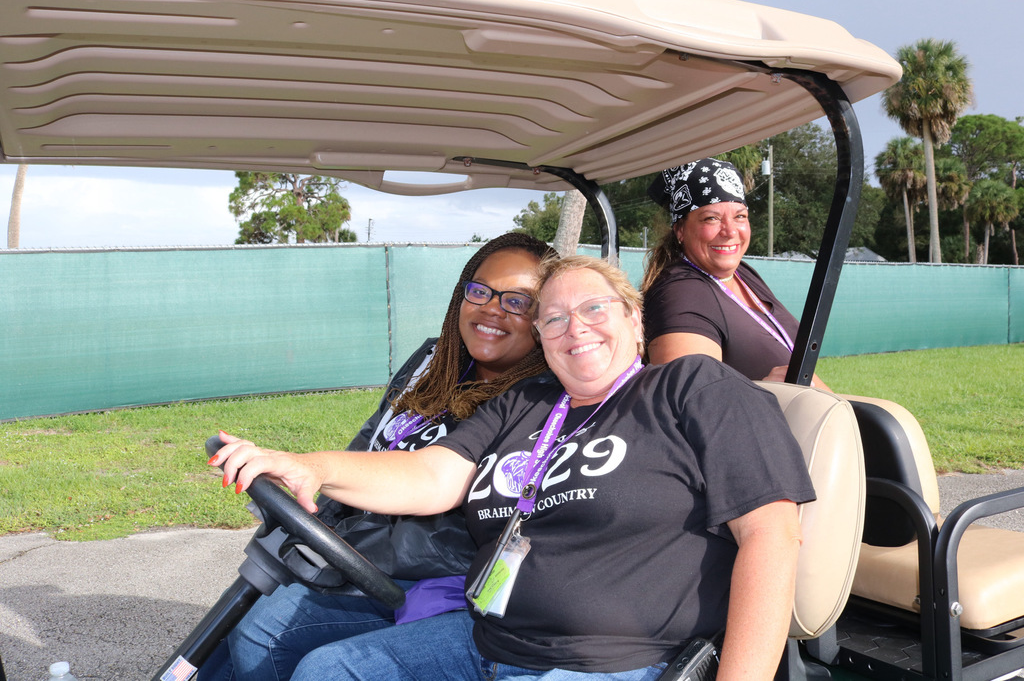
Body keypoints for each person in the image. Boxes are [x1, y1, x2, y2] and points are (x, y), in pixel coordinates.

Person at [211, 254, 816, 680]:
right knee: (329, 669)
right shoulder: (525, 404)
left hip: (613, 661)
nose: (573, 327)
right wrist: (309, 467)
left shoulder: (691, 387)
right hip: (485, 642)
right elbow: (428, 476)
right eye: (552, 318)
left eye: (594, 308)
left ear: (636, 320)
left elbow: (770, 535)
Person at [200, 232, 558, 681]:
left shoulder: (538, 402)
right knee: (231, 624)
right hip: (359, 553)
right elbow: (368, 443)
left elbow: (452, 529)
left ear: (544, 317)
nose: (492, 308)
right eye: (481, 291)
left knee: (264, 632)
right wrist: (312, 513)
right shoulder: (434, 360)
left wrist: (342, 548)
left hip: (424, 581)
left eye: (518, 301)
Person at [641, 157, 830, 389]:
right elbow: (691, 402)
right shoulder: (680, 294)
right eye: (711, 218)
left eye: (740, 216)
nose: (730, 231)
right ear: (680, 230)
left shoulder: (741, 273)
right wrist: (768, 392)